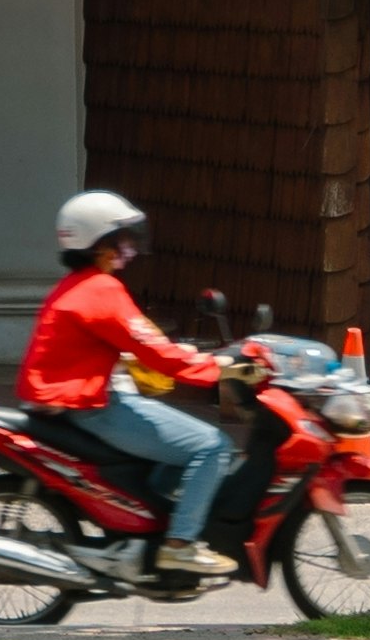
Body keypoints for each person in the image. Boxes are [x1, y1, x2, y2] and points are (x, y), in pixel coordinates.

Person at [20, 187, 246, 592]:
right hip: (91, 404)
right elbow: (153, 350)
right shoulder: (100, 291)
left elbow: (145, 345)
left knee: (180, 448)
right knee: (213, 446)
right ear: (98, 242)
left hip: (82, 399)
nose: (130, 248)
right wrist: (219, 370)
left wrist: (198, 357)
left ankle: (152, 529)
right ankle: (180, 544)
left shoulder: (79, 286)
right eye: (122, 239)